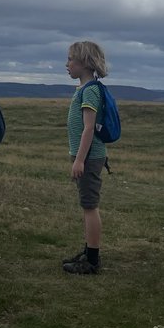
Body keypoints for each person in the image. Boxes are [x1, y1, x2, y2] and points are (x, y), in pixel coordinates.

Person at [63, 40, 109, 275]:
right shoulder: (85, 89)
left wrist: (79, 160)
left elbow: (89, 128)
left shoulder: (90, 90)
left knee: (90, 206)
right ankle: (88, 251)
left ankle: (92, 260)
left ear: (84, 62)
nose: (67, 64)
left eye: (71, 59)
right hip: (88, 156)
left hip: (89, 157)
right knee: (87, 205)